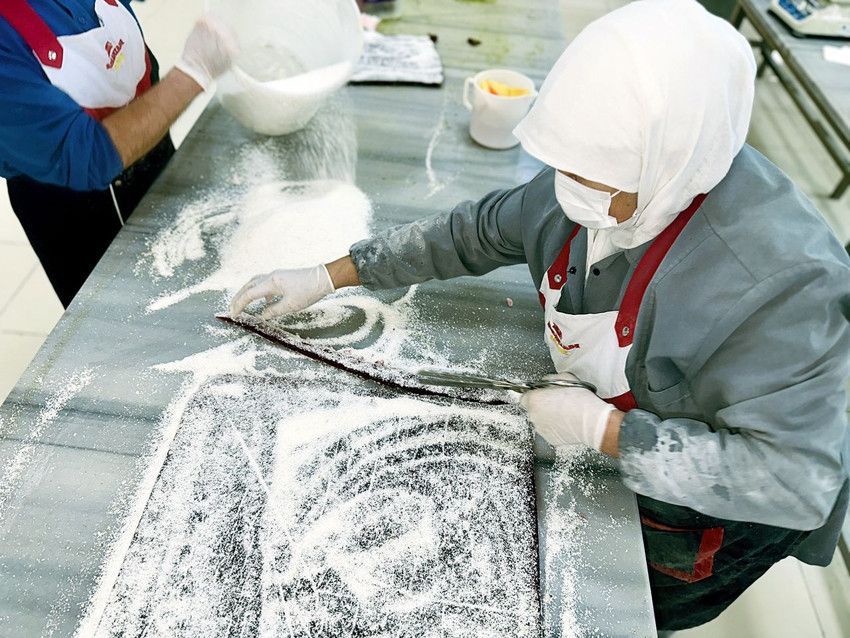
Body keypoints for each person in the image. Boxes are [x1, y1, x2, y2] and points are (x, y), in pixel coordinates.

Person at [229, 0, 850, 631]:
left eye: (592, 178)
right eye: (564, 167)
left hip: (714, 509)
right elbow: (472, 232)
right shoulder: (597, 177)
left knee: (626, 604)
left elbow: (794, 482)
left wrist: (605, 432)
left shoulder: (781, 286)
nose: (567, 188)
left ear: (667, 161)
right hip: (631, 427)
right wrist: (332, 274)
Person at [0, 0, 236, 307]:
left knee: (204, 283)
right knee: (139, 318)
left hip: (155, 155)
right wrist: (194, 71)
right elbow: (88, 156)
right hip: (82, 208)